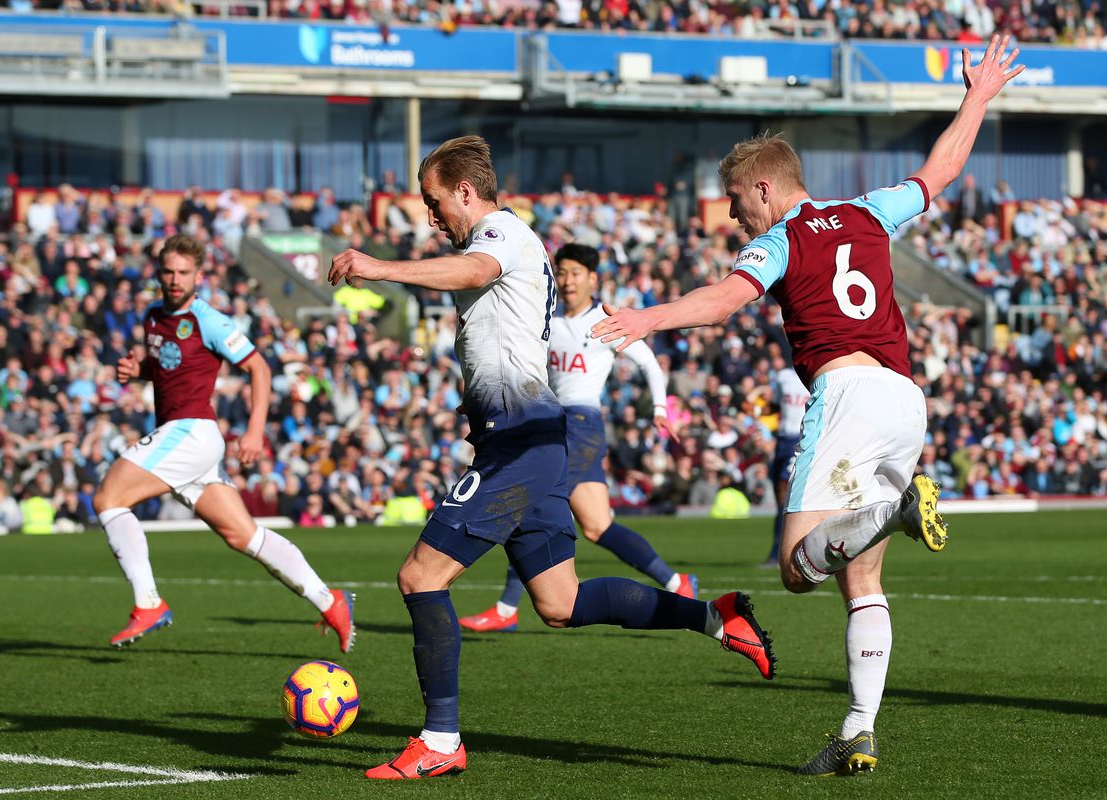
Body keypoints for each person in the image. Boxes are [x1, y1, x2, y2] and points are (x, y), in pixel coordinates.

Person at [593, 35, 1023, 777]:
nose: (734, 218)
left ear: (764, 188)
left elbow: (725, 301)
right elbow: (939, 171)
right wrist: (978, 97)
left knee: (797, 568)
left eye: (734, 203)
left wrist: (643, 320)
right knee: (862, 578)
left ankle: (891, 514)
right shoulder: (867, 212)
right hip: (903, 400)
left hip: (848, 393)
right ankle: (859, 730)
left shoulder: (785, 237)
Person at [327, 135, 776, 781]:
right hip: (523, 439)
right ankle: (716, 616)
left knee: (420, 578)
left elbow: (474, 272)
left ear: (464, 191)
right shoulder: (490, 242)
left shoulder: (501, 233)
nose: (431, 217)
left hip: (520, 444)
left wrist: (382, 267)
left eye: (433, 202)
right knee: (560, 602)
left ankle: (440, 738)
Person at [92, 233, 354, 652]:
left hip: (191, 431)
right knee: (244, 536)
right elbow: (169, 368)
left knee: (108, 498)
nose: (176, 279)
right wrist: (137, 368)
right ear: (158, 272)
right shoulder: (153, 315)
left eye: (184, 272)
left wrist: (254, 430)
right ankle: (330, 600)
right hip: (185, 438)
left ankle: (148, 604)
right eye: (169, 271)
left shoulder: (208, 319)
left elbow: (260, 369)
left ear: (198, 275)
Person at [457, 243, 697, 634]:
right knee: (598, 525)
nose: (567, 281)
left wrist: (658, 408)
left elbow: (648, 362)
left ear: (592, 278)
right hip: (549, 418)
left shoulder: (601, 319)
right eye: (562, 272)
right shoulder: (545, 318)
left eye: (574, 273)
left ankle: (506, 608)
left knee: (530, 502)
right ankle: (677, 583)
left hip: (581, 423)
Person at [762, 363, 809, 568]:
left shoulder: (816, 372)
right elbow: (775, 405)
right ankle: (779, 552)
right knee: (779, 497)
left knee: (786, 495)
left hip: (802, 438)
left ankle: (781, 554)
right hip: (782, 439)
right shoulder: (783, 376)